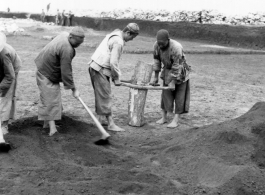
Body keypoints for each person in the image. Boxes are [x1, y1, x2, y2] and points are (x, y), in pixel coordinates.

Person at [88, 23, 140, 132]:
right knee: (106, 96)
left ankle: (100, 119)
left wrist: (116, 77)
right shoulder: (118, 41)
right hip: (100, 68)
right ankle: (111, 124)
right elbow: (113, 62)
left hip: (95, 66)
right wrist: (116, 78)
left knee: (101, 94)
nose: (132, 40)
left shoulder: (116, 33)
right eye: (132, 37)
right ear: (127, 33)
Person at [35, 27, 85, 136]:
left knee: (52, 97)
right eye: (77, 43)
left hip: (45, 67)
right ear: (71, 37)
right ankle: (52, 129)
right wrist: (74, 89)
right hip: (46, 72)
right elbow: (66, 71)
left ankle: (46, 124)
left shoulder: (64, 35)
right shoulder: (67, 49)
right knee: (50, 98)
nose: (78, 45)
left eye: (80, 43)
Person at [151, 29, 190, 128]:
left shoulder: (176, 47)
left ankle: (175, 120)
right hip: (167, 70)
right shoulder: (156, 45)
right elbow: (156, 61)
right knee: (166, 94)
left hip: (181, 70)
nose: (160, 46)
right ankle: (164, 117)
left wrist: (173, 81)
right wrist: (155, 77)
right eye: (159, 43)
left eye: (162, 43)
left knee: (179, 96)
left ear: (168, 40)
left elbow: (178, 65)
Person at [0, 32, 22, 143]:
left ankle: (4, 125)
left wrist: (1, 89)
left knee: (5, 97)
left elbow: (9, 76)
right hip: (1, 68)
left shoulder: (4, 54)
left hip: (12, 70)